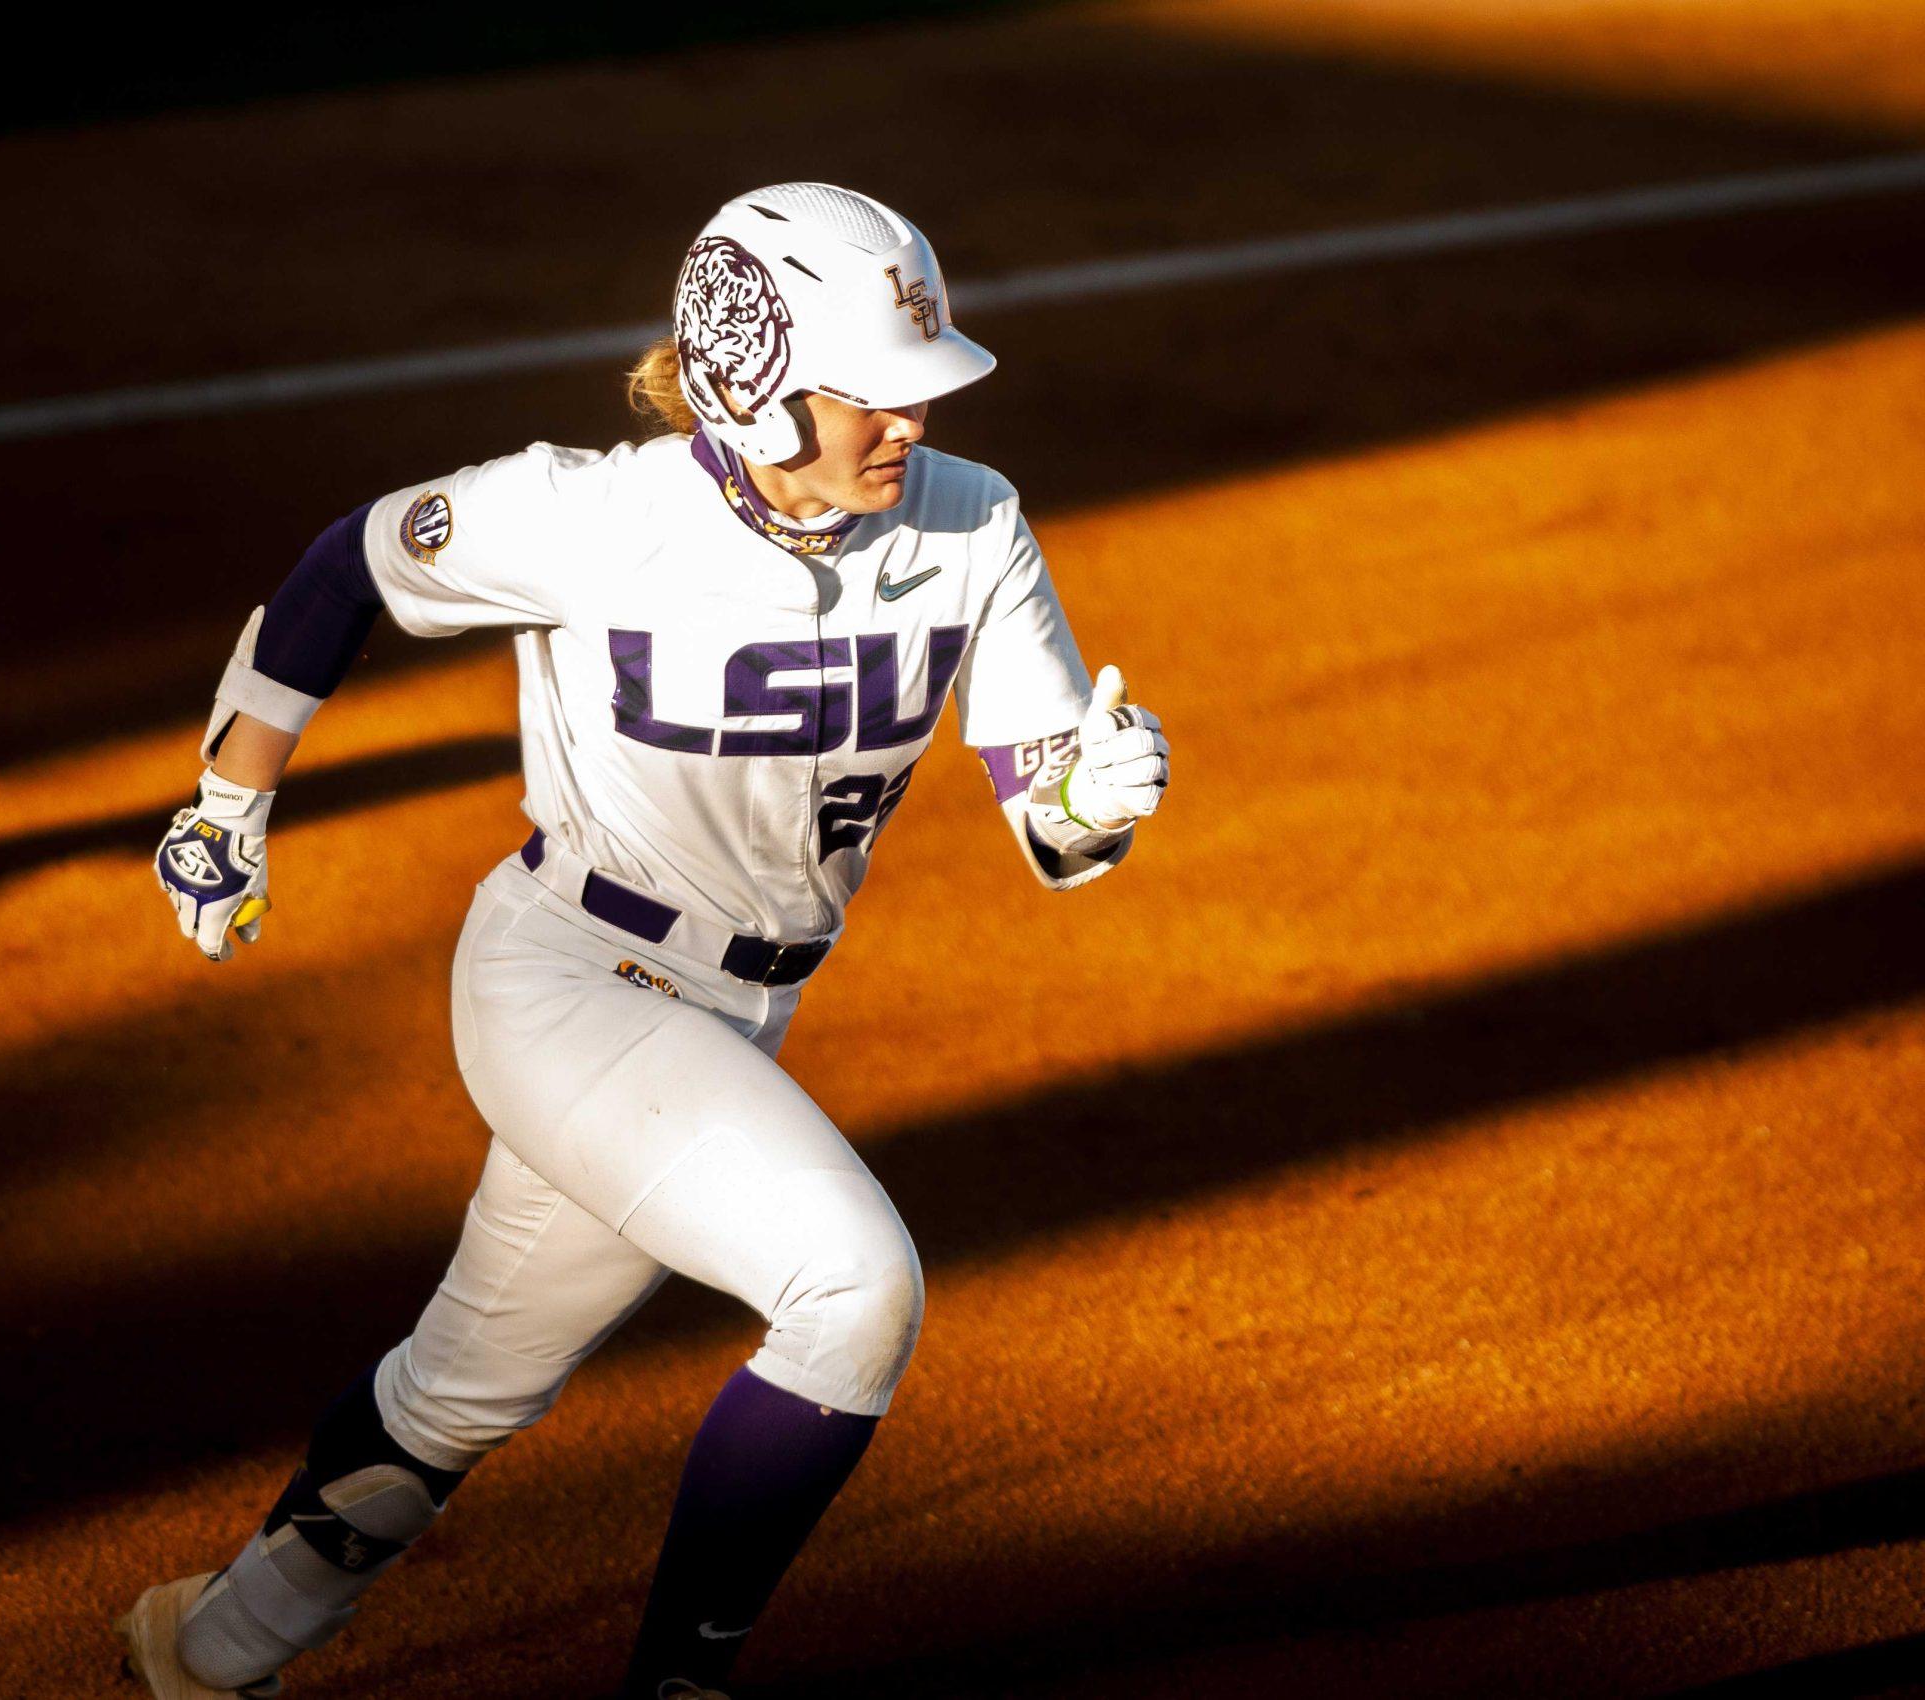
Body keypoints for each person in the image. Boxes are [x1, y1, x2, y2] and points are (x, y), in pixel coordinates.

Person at [121, 181, 1172, 1700]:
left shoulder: (975, 523)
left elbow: (1051, 819)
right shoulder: (592, 515)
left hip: (734, 1020)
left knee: (459, 1393)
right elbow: (349, 564)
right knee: (852, 1288)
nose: (908, 425)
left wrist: (1098, 793)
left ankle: (212, 1648)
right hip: (567, 978)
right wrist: (227, 803)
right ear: (752, 385)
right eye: (868, 393)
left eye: (917, 391)